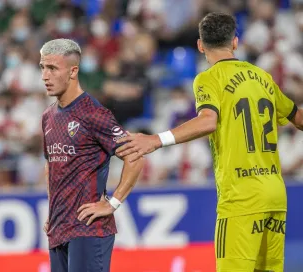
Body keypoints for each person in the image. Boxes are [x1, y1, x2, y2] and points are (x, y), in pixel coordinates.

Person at [116, 12, 303, 272]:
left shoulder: (209, 79)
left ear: (200, 45)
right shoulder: (264, 78)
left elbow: (207, 121)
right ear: (235, 42)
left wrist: (157, 139)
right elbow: (298, 117)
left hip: (241, 198)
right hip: (275, 196)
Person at [40, 38, 145, 272]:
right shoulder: (48, 117)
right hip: (58, 228)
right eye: (42, 68)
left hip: (88, 228)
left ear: (73, 71)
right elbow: (52, 166)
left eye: (52, 68)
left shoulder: (93, 113)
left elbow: (135, 156)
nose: (45, 76)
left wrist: (113, 203)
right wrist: (53, 211)